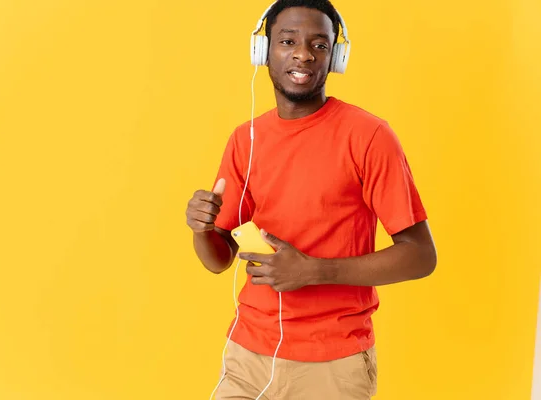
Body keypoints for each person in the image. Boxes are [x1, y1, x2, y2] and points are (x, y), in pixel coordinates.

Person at [185, 0, 437, 398]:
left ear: (336, 57)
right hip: (247, 356)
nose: (303, 54)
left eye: (319, 45)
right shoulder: (244, 139)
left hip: (332, 366)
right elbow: (219, 260)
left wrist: (312, 271)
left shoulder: (369, 136)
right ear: (263, 50)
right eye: (288, 41)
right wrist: (201, 229)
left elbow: (422, 256)